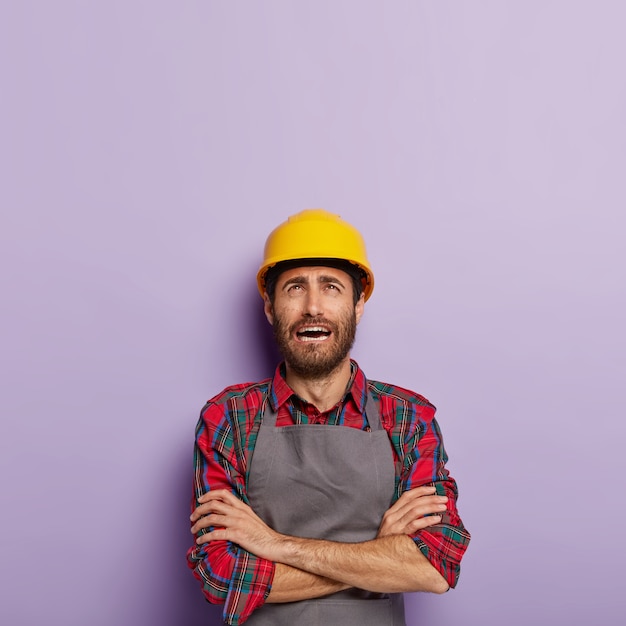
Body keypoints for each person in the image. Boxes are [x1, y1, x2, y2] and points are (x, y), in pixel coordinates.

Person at [187, 209, 470, 625]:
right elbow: (222, 577)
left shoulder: (407, 417)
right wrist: (379, 553)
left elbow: (435, 566)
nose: (312, 306)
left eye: (332, 287)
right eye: (295, 287)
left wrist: (275, 545)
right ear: (269, 307)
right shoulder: (228, 418)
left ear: (358, 305)